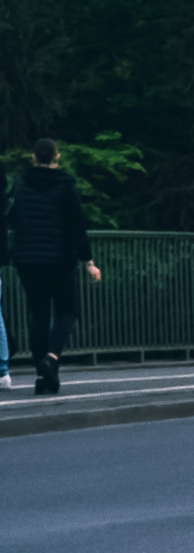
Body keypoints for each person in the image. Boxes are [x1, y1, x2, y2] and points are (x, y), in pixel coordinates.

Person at [5, 140, 103, 396]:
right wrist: (88, 261)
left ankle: (44, 377)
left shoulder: (20, 183)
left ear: (33, 156)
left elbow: (10, 217)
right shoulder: (65, 184)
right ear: (56, 157)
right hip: (59, 259)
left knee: (38, 316)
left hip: (27, 260)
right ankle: (51, 358)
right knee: (67, 312)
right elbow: (76, 226)